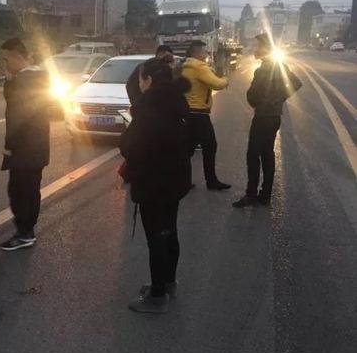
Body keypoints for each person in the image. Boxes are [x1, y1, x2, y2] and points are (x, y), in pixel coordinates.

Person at [120, 58, 191, 314]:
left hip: (154, 183)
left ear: (148, 80)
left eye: (141, 79)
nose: (139, 84)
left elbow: (130, 146)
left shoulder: (149, 107)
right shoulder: (176, 101)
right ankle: (168, 282)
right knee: (169, 232)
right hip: (175, 179)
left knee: (157, 238)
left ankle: (157, 296)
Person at [233, 34, 302, 208]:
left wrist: (272, 99)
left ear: (265, 48)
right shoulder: (277, 66)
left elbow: (255, 95)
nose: (255, 49)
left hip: (263, 117)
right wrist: (279, 99)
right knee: (267, 154)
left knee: (253, 155)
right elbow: (296, 83)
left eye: (257, 46)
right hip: (273, 116)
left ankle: (251, 194)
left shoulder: (266, 69)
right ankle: (265, 195)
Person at [0, 38, 51, 251]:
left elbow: (16, 117)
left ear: (16, 56)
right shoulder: (40, 77)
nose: (5, 64)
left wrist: (9, 146)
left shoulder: (22, 81)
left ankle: (25, 233)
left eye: (6, 59)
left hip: (24, 149)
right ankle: (27, 230)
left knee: (19, 191)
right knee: (31, 190)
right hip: (37, 147)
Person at [181, 40, 230, 190]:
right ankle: (211, 181)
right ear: (196, 52)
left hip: (189, 112)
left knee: (187, 149)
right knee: (210, 146)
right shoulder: (200, 67)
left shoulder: (185, 66)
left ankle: (182, 181)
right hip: (199, 114)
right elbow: (217, 84)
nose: (206, 53)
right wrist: (226, 79)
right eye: (204, 51)